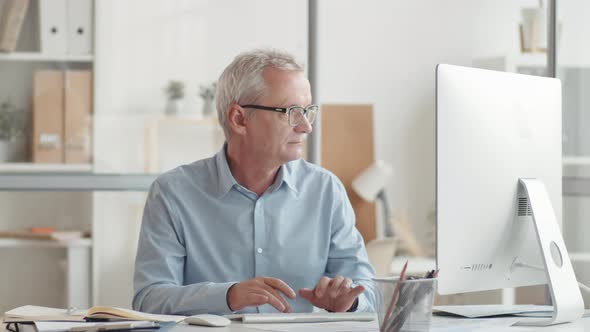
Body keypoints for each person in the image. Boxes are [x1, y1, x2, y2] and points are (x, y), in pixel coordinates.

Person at [133, 48, 376, 315]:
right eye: (291, 111)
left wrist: (349, 301)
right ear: (239, 118)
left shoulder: (325, 191)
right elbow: (150, 298)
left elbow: (369, 294)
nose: (305, 126)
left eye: (307, 111)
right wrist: (227, 296)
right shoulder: (173, 193)